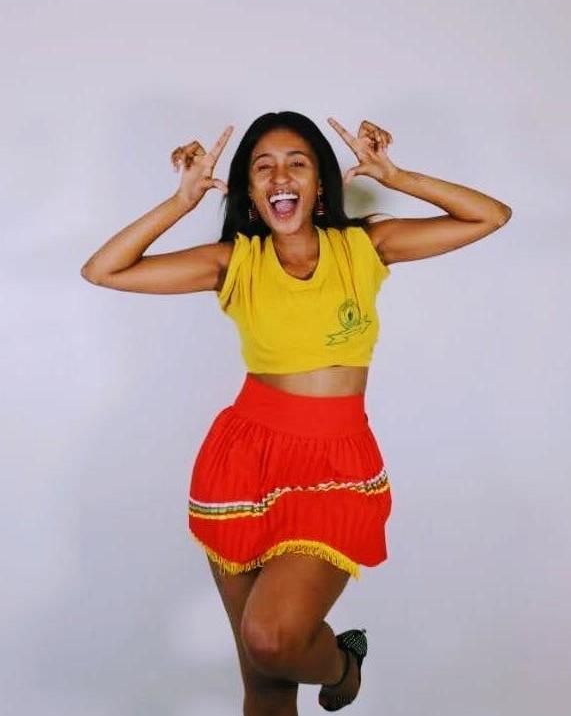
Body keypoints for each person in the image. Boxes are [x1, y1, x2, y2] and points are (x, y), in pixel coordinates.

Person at [81, 111, 512, 714]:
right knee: (265, 684)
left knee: (273, 638)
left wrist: (397, 177)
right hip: (244, 462)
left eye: (297, 164)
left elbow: (490, 215)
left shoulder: (364, 246)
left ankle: (342, 663)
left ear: (319, 183)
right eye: (263, 167)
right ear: (249, 191)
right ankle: (328, 668)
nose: (280, 177)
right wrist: (181, 201)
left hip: (336, 467)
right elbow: (102, 270)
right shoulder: (234, 261)